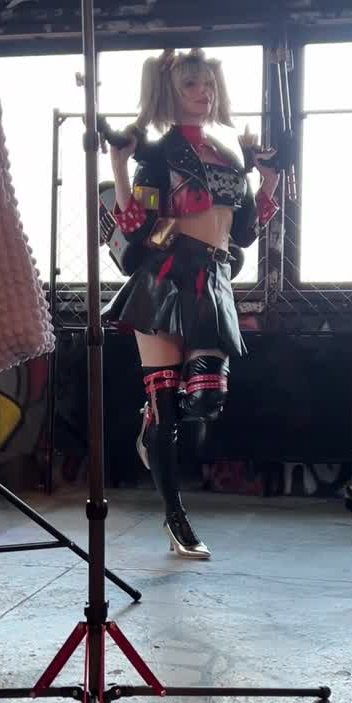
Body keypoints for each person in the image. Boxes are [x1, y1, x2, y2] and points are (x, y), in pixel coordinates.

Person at [103, 48, 279, 560]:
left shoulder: (228, 155)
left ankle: (151, 430)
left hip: (213, 280)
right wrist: (118, 164)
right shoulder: (158, 154)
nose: (204, 93)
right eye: (191, 85)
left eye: (208, 84)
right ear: (170, 93)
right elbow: (137, 225)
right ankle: (174, 516)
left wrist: (268, 182)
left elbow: (243, 232)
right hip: (162, 281)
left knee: (205, 400)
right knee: (165, 406)